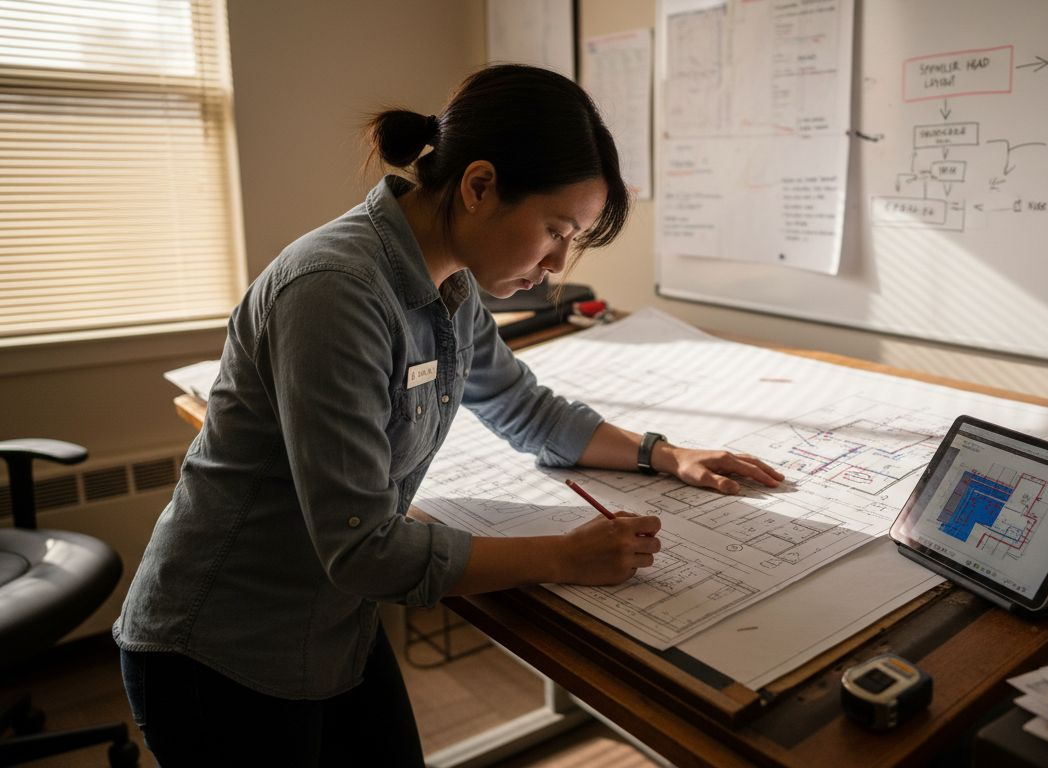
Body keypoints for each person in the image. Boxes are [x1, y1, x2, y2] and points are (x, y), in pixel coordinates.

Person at [114, 64, 783, 767]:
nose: (557, 264)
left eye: (573, 240)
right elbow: (363, 548)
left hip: (330, 625)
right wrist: (563, 556)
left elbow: (525, 408)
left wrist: (667, 454)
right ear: (478, 186)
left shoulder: (453, 283)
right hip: (221, 649)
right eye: (555, 230)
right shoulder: (336, 292)